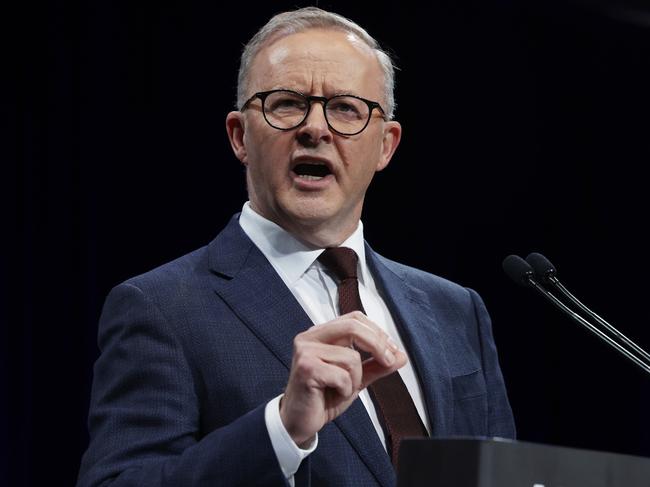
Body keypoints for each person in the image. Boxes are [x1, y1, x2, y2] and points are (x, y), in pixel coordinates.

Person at [77, 7, 515, 487]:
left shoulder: (455, 310)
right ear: (240, 136)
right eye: (286, 103)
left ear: (386, 145)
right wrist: (281, 430)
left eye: (346, 108)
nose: (316, 128)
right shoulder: (161, 308)